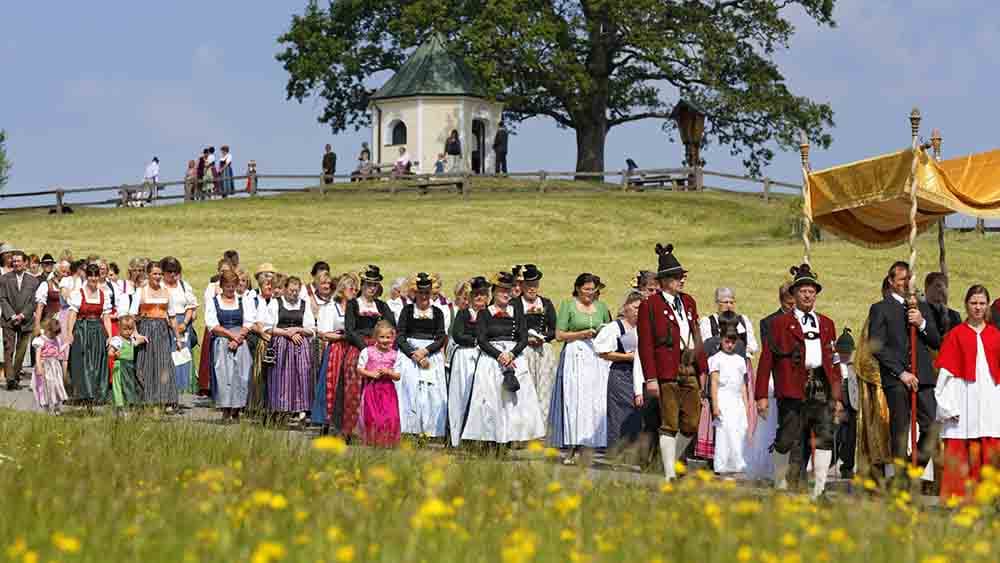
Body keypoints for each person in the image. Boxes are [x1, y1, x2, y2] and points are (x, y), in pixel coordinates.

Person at [755, 264, 842, 498]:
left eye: (811, 291)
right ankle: (780, 484)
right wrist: (761, 395)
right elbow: (766, 359)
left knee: (824, 437)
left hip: (821, 386)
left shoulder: (827, 324)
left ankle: (819, 491)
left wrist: (837, 396)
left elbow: (833, 362)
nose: (807, 295)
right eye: (803, 291)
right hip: (792, 387)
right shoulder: (779, 324)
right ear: (794, 294)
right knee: (786, 438)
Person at [637, 244, 707, 481]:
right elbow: (646, 344)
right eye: (677, 277)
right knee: (669, 422)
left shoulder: (689, 302)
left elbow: (697, 335)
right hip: (667, 367)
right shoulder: (650, 305)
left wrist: (703, 368)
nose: (681, 281)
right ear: (665, 281)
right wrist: (651, 378)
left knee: (692, 423)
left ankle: (668, 459)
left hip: (689, 365)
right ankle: (669, 474)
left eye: (682, 276)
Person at [868, 261, 941, 474]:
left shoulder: (921, 307)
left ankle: (911, 470)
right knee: (900, 430)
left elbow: (936, 341)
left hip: (923, 377)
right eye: (902, 279)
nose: (906, 283)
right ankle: (900, 479)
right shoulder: (880, 308)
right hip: (896, 379)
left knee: (932, 426)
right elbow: (877, 345)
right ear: (891, 281)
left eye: (909, 279)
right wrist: (901, 372)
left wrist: (921, 323)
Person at [462, 271, 545, 449]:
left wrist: (512, 354)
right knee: (492, 400)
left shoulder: (517, 312)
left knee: (513, 403)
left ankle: (509, 439)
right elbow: (482, 339)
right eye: (502, 290)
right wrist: (499, 355)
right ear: (494, 292)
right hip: (491, 360)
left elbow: (523, 338)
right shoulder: (484, 313)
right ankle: (490, 440)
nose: (506, 294)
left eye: (508, 290)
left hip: (514, 359)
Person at [934, 285, 1000, 501]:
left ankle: (989, 499)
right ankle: (957, 499)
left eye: (982, 303)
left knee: (989, 446)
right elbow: (945, 375)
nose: (978, 307)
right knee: (960, 447)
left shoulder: (996, 336)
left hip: (991, 400)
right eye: (974, 303)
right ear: (966, 305)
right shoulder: (955, 335)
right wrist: (947, 406)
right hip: (963, 400)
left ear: (987, 306)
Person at [549, 273, 613, 463]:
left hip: (596, 357)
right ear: (578, 288)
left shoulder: (601, 307)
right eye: (586, 289)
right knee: (575, 399)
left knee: (594, 400)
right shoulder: (568, 305)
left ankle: (590, 446)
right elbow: (559, 335)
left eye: (593, 289)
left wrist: (602, 333)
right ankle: (571, 446)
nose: (590, 293)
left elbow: (609, 331)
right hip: (575, 355)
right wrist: (582, 334)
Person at [745, 282, 795, 480]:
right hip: (777, 375)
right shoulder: (769, 322)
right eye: (789, 303)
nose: (793, 307)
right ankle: (769, 465)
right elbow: (770, 353)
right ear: (782, 301)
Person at [344, 265, 395, 438]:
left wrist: (380, 348)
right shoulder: (353, 304)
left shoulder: (381, 306)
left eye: (374, 285)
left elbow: (391, 327)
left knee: (378, 390)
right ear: (363, 285)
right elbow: (350, 330)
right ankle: (352, 430)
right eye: (368, 284)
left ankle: (376, 431)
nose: (372, 288)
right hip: (358, 350)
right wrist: (365, 349)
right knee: (354, 390)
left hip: (379, 349)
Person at [394, 273, 448, 438]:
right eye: (421, 293)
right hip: (409, 354)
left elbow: (441, 337)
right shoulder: (407, 311)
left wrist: (426, 351)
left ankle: (430, 430)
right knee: (410, 389)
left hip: (430, 353)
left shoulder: (437, 312)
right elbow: (400, 336)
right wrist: (413, 353)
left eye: (427, 293)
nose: (424, 296)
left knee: (432, 393)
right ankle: (410, 428)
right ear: (415, 293)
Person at [595, 290, 643, 457]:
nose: (638, 311)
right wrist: (627, 357)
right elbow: (602, 352)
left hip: (639, 374)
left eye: (641, 308)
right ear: (626, 307)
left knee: (637, 414)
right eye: (635, 307)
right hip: (621, 373)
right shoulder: (615, 327)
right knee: (620, 414)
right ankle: (616, 452)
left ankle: (634, 452)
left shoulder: (644, 326)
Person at [129, 260, 178, 408]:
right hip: (146, 329)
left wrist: (178, 338)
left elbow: (172, 317)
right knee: (145, 364)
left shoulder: (167, 292)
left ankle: (166, 399)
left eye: (160, 274)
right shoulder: (141, 291)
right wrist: (136, 334)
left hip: (162, 330)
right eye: (155, 273)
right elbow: (132, 315)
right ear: (148, 274)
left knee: (164, 363)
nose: (158, 276)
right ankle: (147, 399)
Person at [207, 270, 254, 421]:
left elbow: (248, 322)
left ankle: (237, 409)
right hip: (222, 341)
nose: (231, 289)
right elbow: (213, 325)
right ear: (222, 286)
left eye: (233, 286)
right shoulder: (214, 301)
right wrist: (231, 336)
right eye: (228, 286)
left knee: (241, 375)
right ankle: (226, 409)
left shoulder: (242, 300)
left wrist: (238, 338)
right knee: (224, 376)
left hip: (240, 341)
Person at [448, 276, 489, 446]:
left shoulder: (489, 314)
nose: (479, 297)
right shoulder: (464, 313)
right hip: (465, 357)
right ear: (470, 297)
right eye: (476, 294)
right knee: (461, 393)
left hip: (485, 357)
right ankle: (457, 435)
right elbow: (458, 335)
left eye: (483, 294)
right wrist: (477, 341)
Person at [310, 272, 353, 431]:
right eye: (351, 288)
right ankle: (326, 421)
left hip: (351, 349)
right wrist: (343, 336)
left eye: (355, 289)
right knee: (331, 383)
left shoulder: (355, 308)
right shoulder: (330, 308)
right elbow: (323, 333)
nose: (354, 291)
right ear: (342, 289)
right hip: (336, 350)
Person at [266, 276, 313, 420]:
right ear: (285, 289)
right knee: (281, 376)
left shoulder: (304, 304)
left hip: (300, 345)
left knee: (302, 375)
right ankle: (280, 409)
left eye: (296, 291)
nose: (294, 293)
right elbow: (268, 328)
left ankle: (301, 409)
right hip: (281, 344)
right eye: (291, 290)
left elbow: (311, 329)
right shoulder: (276, 303)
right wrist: (287, 333)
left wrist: (297, 329)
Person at [518, 265, 558, 428]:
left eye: (534, 285)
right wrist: (525, 339)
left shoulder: (546, 303)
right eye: (528, 285)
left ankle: (542, 428)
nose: (532, 288)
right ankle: (524, 428)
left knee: (545, 388)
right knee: (525, 388)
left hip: (543, 351)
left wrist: (543, 338)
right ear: (521, 285)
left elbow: (555, 329)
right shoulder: (515, 304)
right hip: (522, 351)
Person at [66, 263, 112, 404]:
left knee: (97, 362)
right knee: (82, 362)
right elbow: (72, 314)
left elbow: (106, 317)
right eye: (91, 276)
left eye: (96, 276)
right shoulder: (78, 293)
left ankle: (96, 394)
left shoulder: (103, 294)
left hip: (98, 331)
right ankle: (82, 394)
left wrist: (110, 336)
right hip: (82, 330)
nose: (93, 278)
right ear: (86, 277)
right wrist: (69, 333)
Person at [710, 323, 750, 476]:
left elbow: (742, 385)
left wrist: (746, 404)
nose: (730, 345)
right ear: (721, 340)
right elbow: (714, 383)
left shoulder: (740, 360)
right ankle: (722, 464)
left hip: (737, 400)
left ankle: (738, 463)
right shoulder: (716, 359)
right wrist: (715, 405)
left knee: (739, 430)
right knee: (724, 431)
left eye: (733, 342)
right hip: (723, 398)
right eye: (727, 341)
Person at [358, 320, 404, 446]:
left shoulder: (396, 355)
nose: (385, 340)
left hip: (388, 390)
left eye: (388, 337)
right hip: (372, 389)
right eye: (382, 337)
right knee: (372, 416)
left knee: (391, 416)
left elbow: (398, 376)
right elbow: (360, 369)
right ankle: (373, 441)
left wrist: (388, 372)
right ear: (375, 337)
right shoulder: (367, 351)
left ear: (393, 338)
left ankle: (388, 442)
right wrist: (371, 374)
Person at [2, 250, 42, 390]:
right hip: (9, 320)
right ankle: (10, 380)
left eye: (19, 261)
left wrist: (23, 315)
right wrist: (12, 315)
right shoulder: (4, 279)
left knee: (21, 351)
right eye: (14, 261)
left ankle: (15, 376)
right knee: (9, 349)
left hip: (26, 320)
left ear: (25, 263)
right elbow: (2, 298)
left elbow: (34, 301)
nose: (16, 263)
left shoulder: (33, 281)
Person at [161, 257, 198, 394]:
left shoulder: (184, 285)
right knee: (168, 358)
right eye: (169, 271)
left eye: (175, 271)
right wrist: (172, 325)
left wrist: (185, 323)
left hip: (183, 325)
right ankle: (168, 391)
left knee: (183, 357)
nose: (172, 274)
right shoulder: (161, 286)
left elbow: (191, 306)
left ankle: (183, 390)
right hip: (166, 324)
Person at [699, 288, 759, 356]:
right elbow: (707, 346)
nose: (729, 305)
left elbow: (753, 346)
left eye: (731, 302)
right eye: (725, 302)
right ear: (717, 303)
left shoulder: (743, 320)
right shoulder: (708, 322)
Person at [834, 328, 859, 479]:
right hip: (837, 404)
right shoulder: (833, 365)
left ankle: (847, 466)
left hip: (851, 405)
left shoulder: (854, 367)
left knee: (850, 438)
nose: (845, 355)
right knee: (835, 436)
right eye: (842, 352)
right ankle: (828, 464)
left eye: (847, 352)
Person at [30, 318, 69, 414]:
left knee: (56, 386)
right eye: (54, 333)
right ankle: (45, 408)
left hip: (54, 366)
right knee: (45, 387)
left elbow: (58, 351)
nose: (55, 336)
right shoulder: (40, 340)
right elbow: (38, 356)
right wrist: (39, 367)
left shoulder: (56, 339)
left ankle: (57, 407)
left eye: (57, 334)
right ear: (48, 330)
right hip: (44, 366)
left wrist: (66, 344)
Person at [108, 315, 145, 412]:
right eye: (125, 329)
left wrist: (141, 340)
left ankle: (129, 403)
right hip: (120, 366)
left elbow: (135, 344)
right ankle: (120, 406)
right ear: (119, 328)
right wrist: (115, 353)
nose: (128, 332)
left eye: (130, 329)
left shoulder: (131, 339)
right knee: (120, 386)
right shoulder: (118, 340)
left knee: (129, 385)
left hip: (129, 366)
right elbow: (110, 352)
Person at [925, 272, 962, 337]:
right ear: (927, 288)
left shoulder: (954, 316)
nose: (942, 289)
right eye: (938, 286)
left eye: (945, 286)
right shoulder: (922, 312)